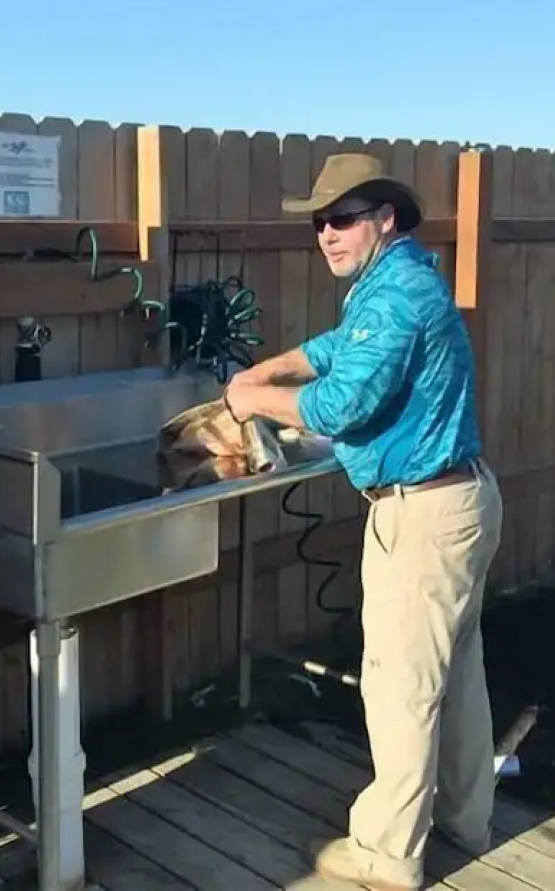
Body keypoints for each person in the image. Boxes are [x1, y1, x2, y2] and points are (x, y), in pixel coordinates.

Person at [223, 152, 502, 891]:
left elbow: (340, 405)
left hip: (423, 515)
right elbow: (329, 354)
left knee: (399, 686)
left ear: (385, 217)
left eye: (342, 219)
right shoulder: (394, 281)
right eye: (320, 223)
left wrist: (252, 404)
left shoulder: (395, 297)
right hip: (460, 500)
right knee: (456, 674)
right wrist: (263, 373)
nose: (328, 234)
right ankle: (465, 821)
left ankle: (387, 857)